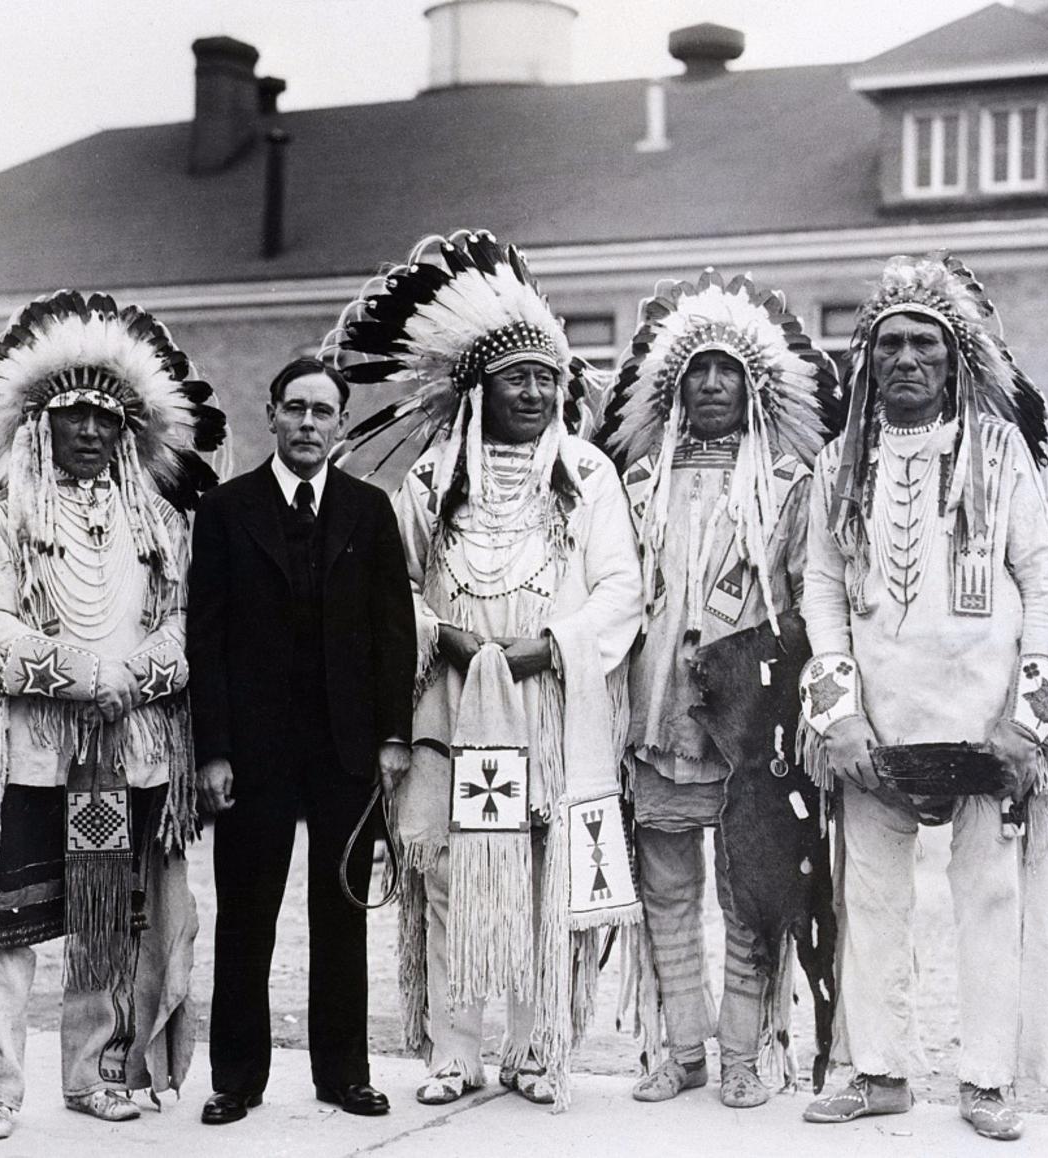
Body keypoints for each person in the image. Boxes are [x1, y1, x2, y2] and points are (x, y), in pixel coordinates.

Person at [329, 230, 641, 1111]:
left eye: (549, 378)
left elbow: (623, 590)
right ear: (479, 390)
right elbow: (395, 594)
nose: (537, 391)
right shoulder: (432, 479)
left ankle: (537, 1050)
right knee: (448, 865)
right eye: (518, 378)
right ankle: (454, 1050)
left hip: (550, 700)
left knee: (543, 869)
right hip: (455, 701)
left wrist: (552, 648)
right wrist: (447, 640)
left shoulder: (588, 474)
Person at [798, 253, 1048, 1142]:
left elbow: (1044, 591)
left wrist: (1026, 722)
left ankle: (988, 1081)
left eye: (926, 342)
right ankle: (880, 1071)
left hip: (987, 725)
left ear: (955, 356)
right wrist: (839, 714)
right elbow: (819, 589)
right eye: (890, 345)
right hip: (874, 730)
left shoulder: (999, 454)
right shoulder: (840, 463)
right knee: (873, 900)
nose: (908, 360)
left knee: (991, 897)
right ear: (867, 359)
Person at [0, 290, 227, 1130]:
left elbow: (187, 619)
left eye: (107, 420)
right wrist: (74, 672)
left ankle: (94, 1073)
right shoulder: (4, 518)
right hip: (35, 749)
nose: (90, 432)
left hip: (128, 748)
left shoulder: (162, 524)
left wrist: (136, 674)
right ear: (41, 423)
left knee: (107, 921)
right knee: (12, 921)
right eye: (73, 414)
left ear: (128, 432)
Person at [593, 271, 841, 1108]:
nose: (709, 384)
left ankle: (742, 1053)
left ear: (753, 384)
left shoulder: (789, 485)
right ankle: (683, 1051)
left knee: (750, 891)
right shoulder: (635, 489)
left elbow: (813, 600)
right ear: (674, 386)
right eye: (695, 370)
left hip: (751, 721)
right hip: (659, 713)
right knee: (666, 889)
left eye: (726, 370)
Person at [186, 355, 414, 1125]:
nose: (309, 424)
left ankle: (344, 1073)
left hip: (347, 750)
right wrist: (212, 750)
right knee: (246, 914)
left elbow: (394, 634)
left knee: (341, 914)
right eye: (297, 410)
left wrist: (392, 737)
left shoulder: (368, 510)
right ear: (272, 416)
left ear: (341, 424)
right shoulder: (226, 510)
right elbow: (205, 641)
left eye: (324, 411)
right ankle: (238, 1077)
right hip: (254, 752)